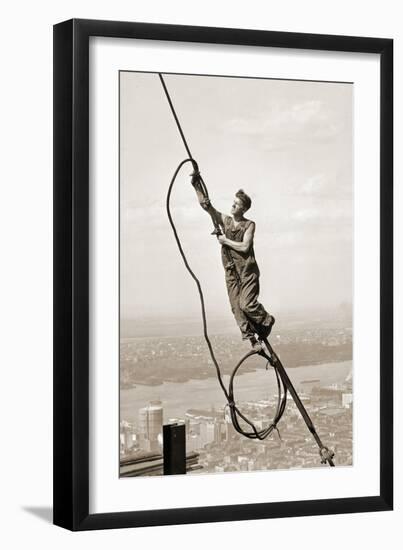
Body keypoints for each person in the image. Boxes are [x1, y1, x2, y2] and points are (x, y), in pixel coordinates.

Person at [191, 170, 275, 351]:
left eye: (237, 205)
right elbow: (208, 208)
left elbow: (245, 247)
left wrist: (225, 241)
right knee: (236, 308)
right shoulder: (226, 221)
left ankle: (266, 320)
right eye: (234, 203)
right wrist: (196, 184)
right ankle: (253, 341)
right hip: (231, 271)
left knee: (246, 304)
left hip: (247, 271)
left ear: (243, 209)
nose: (233, 206)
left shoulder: (249, 225)